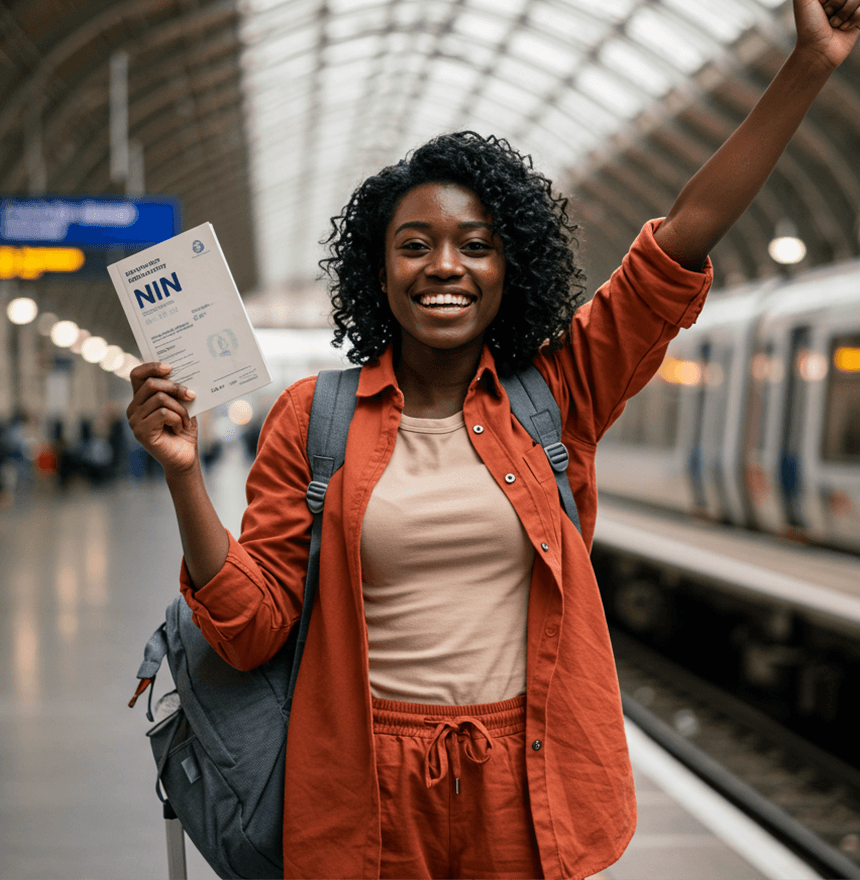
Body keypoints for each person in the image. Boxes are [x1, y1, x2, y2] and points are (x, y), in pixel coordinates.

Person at [126, 3, 859, 878]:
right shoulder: (311, 419)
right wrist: (182, 478)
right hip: (363, 785)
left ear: (511, 269)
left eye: (476, 245)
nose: (445, 266)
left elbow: (680, 240)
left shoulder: (559, 393)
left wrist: (810, 62)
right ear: (378, 271)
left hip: (525, 778)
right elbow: (249, 631)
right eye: (414, 246)